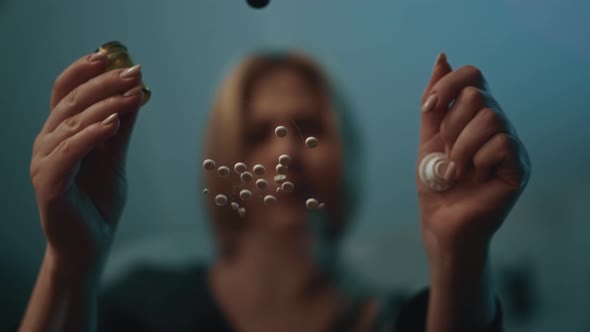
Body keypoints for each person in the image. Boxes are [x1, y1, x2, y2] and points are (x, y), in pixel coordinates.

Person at [19, 49, 530, 332]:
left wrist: (458, 252)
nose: (284, 153)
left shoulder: (403, 320)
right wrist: (72, 260)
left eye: (308, 125)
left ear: (345, 154)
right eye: (257, 132)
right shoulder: (142, 305)